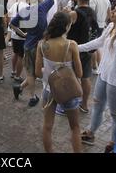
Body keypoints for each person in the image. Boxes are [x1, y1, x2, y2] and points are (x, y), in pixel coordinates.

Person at [79, 3, 116, 153]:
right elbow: (98, 42)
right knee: (97, 105)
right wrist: (77, 47)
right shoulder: (111, 26)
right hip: (104, 74)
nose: (112, 12)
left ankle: (114, 143)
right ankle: (91, 133)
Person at [35, 12, 83, 153]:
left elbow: (38, 73)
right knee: (74, 127)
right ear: (67, 26)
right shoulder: (71, 45)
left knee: (47, 126)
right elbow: (79, 73)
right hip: (69, 91)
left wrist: (51, 71)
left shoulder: (42, 44)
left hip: (49, 90)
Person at [10, 0, 58, 107]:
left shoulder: (24, 11)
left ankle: (19, 88)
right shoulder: (42, 7)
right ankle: (32, 97)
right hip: (39, 47)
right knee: (32, 74)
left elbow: (11, 24)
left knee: (33, 73)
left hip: (29, 45)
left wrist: (22, 34)